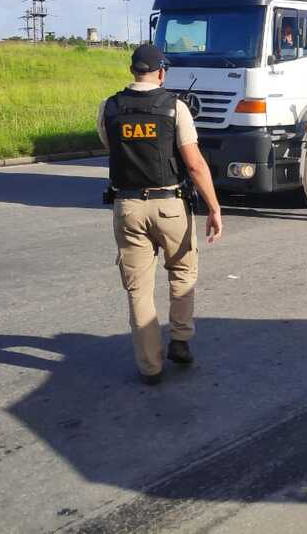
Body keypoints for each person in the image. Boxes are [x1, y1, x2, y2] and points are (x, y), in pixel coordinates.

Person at [97, 44, 224, 385]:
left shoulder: (109, 107)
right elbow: (195, 164)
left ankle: (149, 366)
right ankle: (180, 338)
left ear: (132, 70)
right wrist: (214, 207)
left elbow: (112, 147)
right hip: (169, 204)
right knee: (182, 270)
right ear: (162, 72)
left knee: (138, 288)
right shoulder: (174, 108)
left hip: (127, 206)